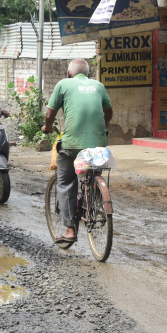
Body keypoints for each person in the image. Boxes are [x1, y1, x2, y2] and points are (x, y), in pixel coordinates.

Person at [41, 58, 113, 247]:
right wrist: (104, 128)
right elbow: (108, 111)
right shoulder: (98, 85)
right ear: (88, 74)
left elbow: (50, 114)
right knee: (92, 170)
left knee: (65, 182)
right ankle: (95, 192)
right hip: (98, 145)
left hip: (72, 145)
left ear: (68, 74)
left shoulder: (63, 84)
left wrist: (47, 127)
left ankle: (70, 229)